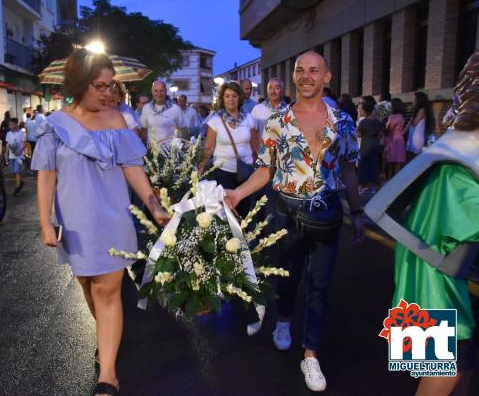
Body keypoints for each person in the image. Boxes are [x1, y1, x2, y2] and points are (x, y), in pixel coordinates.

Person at [225, 51, 365, 393]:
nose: (305, 76)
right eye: (300, 70)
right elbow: (264, 170)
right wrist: (238, 194)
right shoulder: (277, 121)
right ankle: (283, 321)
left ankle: (311, 353)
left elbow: (349, 169)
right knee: (287, 280)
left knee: (320, 287)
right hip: (287, 213)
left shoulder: (343, 121)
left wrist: (358, 212)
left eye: (313, 70)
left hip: (328, 216)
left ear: (327, 77)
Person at [31, 48, 168, 396]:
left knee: (108, 291)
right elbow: (46, 176)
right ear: (79, 84)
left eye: (111, 86)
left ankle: (107, 374)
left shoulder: (117, 121)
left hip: (113, 219)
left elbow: (133, 169)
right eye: (100, 86)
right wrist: (45, 222)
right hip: (75, 221)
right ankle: (106, 337)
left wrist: (154, 206)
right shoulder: (55, 126)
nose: (108, 93)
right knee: (89, 288)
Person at [380, 51, 479, 396]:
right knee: (449, 368)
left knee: (459, 367)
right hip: (432, 283)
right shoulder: (458, 168)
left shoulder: (455, 156)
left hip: (428, 274)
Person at [198, 80, 259, 218]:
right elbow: (209, 149)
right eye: (227, 96)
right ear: (222, 99)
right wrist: (200, 168)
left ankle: (245, 237)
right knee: (226, 212)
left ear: (239, 98)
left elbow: (256, 145)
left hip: (246, 172)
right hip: (223, 172)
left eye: (234, 96)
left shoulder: (249, 119)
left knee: (244, 212)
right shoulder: (215, 121)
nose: (231, 99)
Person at [140, 80, 186, 145]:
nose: (159, 94)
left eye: (162, 91)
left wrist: (180, 148)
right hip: (152, 152)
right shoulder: (146, 108)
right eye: (156, 91)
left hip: (170, 152)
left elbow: (183, 130)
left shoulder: (175, 108)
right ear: (152, 92)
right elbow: (144, 131)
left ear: (166, 91)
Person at [356, 96, 384, 193]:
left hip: (365, 144)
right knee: (373, 164)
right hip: (375, 144)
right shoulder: (377, 121)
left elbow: (359, 134)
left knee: (363, 164)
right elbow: (381, 134)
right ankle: (372, 186)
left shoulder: (363, 122)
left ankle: (361, 186)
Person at [404, 91, 435, 158]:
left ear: (419, 100)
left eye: (414, 99)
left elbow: (414, 123)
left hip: (417, 137)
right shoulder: (417, 110)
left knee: (416, 157)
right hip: (413, 135)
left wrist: (411, 119)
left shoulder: (422, 110)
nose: (413, 101)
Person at [384, 98, 407, 180]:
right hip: (398, 138)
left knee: (392, 162)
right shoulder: (401, 116)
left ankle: (391, 180)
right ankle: (397, 181)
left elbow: (390, 129)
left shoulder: (394, 116)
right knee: (396, 162)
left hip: (393, 139)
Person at [4, 117, 26, 195]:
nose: (10, 126)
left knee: (17, 171)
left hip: (18, 156)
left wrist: (20, 151)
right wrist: (6, 153)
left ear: (16, 124)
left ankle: (17, 188)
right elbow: (7, 144)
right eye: (9, 124)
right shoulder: (8, 134)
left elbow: (24, 144)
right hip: (11, 156)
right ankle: (20, 182)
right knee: (13, 171)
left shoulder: (21, 133)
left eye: (12, 124)